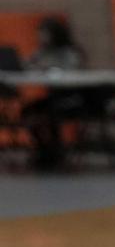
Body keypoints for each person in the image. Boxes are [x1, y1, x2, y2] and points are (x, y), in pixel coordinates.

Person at [22, 17, 89, 168]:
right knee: (28, 112)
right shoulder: (42, 51)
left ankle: (57, 151)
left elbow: (71, 70)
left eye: (44, 33)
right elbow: (27, 64)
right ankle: (45, 149)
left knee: (52, 113)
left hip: (71, 98)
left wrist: (48, 67)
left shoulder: (69, 52)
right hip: (53, 98)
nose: (40, 37)